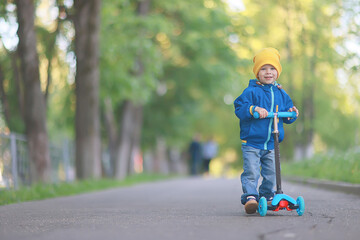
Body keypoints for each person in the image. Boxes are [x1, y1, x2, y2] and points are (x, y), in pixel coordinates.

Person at [233, 48, 299, 214]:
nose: (268, 72)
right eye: (263, 68)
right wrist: (253, 109)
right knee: (252, 171)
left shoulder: (281, 94)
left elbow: (287, 115)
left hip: (271, 142)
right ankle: (250, 197)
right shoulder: (251, 91)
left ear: (277, 71)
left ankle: (267, 196)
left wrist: (292, 113)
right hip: (252, 142)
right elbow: (239, 107)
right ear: (257, 73)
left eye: (272, 68)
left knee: (272, 173)